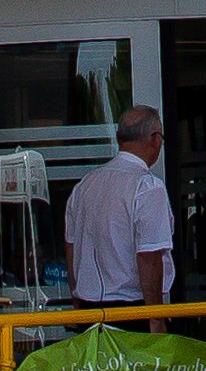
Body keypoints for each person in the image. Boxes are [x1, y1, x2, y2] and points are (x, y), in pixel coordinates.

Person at [66, 104, 173, 311]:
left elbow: (71, 247)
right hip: (131, 309)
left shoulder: (84, 186)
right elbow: (149, 256)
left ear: (118, 138)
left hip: (88, 308)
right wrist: (156, 317)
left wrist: (76, 300)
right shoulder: (147, 187)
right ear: (154, 138)